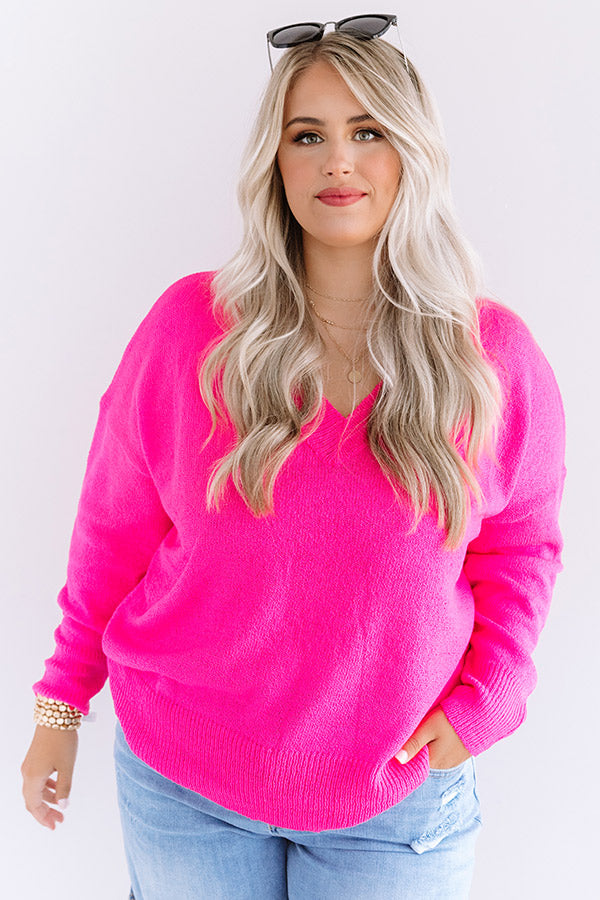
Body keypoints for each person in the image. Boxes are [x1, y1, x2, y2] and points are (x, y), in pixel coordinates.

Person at [21, 15, 566, 900]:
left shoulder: (491, 359)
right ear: (274, 163)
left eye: (368, 131)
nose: (337, 162)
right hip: (184, 780)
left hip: (396, 794)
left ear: (412, 151)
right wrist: (59, 705)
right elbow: (111, 532)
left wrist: (490, 698)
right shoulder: (190, 332)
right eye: (307, 135)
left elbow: (522, 548)